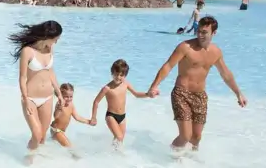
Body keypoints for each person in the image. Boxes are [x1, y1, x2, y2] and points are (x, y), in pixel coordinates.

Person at [147, 16, 248, 151]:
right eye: (199, 31)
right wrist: (154, 86)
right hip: (181, 94)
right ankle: (171, 157)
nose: (200, 35)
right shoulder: (185, 47)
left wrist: (238, 93)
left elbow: (226, 74)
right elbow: (168, 66)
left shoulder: (216, 52)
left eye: (204, 32)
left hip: (200, 96)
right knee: (185, 136)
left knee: (197, 137)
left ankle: (192, 163)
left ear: (214, 33)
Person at [8, 20, 65, 165]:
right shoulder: (27, 51)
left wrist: (59, 93)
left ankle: (39, 164)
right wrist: (25, 98)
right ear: (47, 36)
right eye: (55, 39)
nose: (56, 42)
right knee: (37, 133)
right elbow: (22, 77)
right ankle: (28, 160)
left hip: (47, 97)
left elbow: (50, 72)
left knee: (42, 136)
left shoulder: (49, 49)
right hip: (31, 99)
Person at [90, 59, 152, 147]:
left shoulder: (125, 84)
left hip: (122, 117)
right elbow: (96, 102)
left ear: (125, 75)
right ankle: (113, 153)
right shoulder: (107, 88)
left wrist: (148, 94)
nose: (118, 77)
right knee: (119, 137)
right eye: (116, 74)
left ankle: (113, 155)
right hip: (111, 116)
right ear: (112, 73)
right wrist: (93, 117)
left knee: (120, 139)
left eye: (121, 75)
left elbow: (136, 94)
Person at [49, 83, 93, 154]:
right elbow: (55, 116)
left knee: (56, 147)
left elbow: (77, 117)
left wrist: (88, 121)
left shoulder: (71, 105)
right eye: (66, 96)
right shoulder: (59, 104)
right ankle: (77, 161)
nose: (69, 99)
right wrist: (59, 109)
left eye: (71, 96)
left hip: (60, 131)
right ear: (61, 96)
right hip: (56, 131)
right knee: (71, 148)